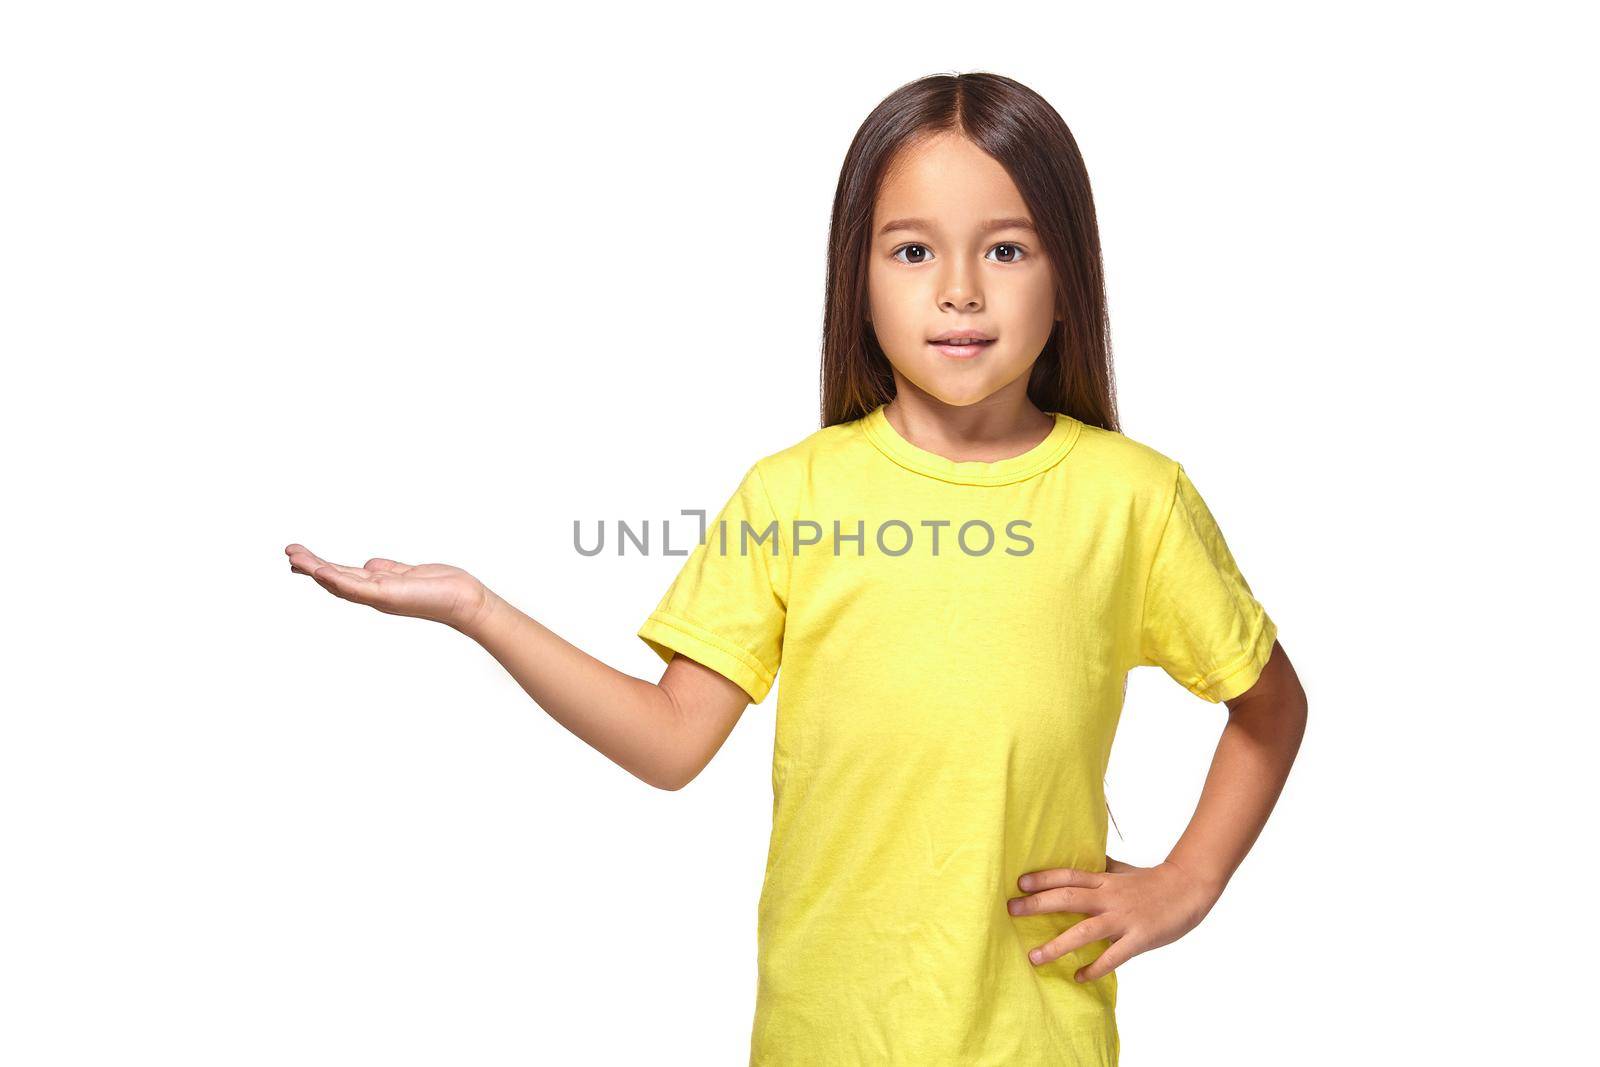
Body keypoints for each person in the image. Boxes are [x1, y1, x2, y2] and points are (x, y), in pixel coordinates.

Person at [285, 71, 1308, 1066]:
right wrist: (476, 607)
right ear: (856, 281)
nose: (958, 289)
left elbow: (1268, 704)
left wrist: (1187, 878)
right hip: (823, 1038)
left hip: (1034, 1038)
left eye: (1004, 248)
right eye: (912, 250)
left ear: (1067, 276)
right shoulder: (792, 495)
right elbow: (670, 740)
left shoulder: (1133, 498)